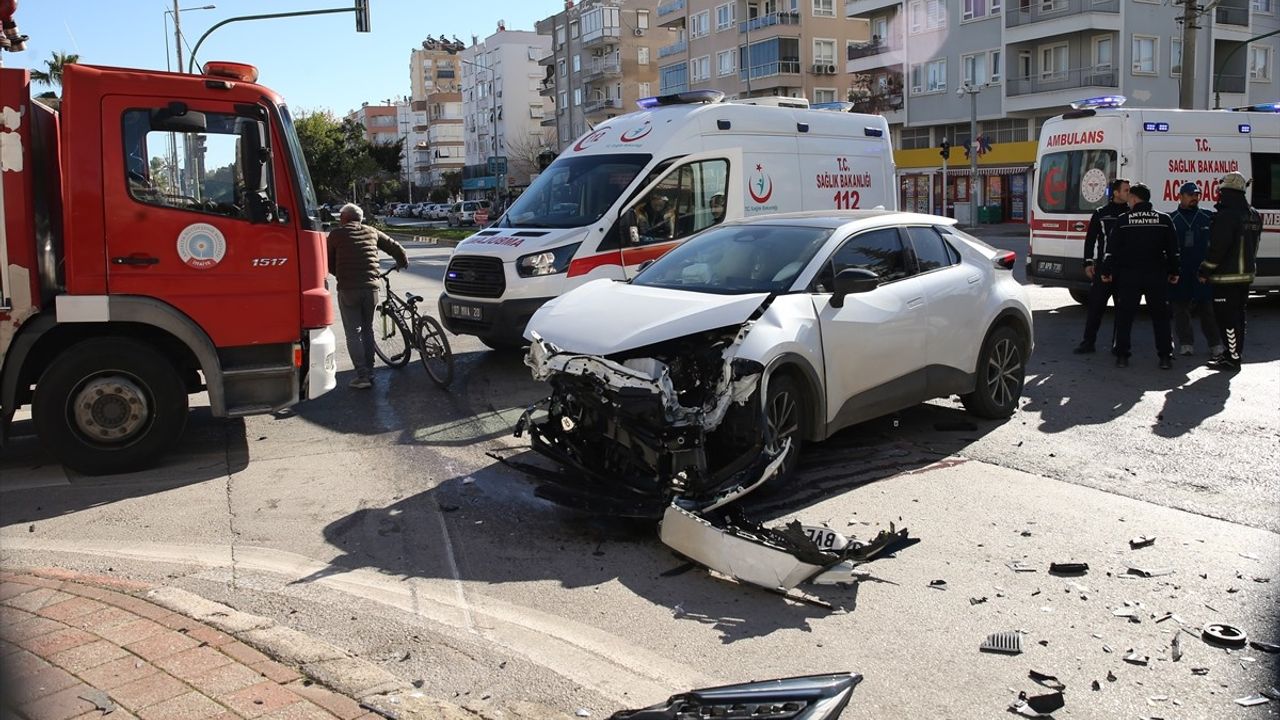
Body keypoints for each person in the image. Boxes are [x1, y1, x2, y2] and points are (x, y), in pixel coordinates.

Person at [327, 203, 408, 389]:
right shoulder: (372, 231)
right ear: (360, 218)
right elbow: (396, 248)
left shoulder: (336, 235)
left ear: (344, 218)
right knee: (367, 329)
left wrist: (339, 274)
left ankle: (362, 376)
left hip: (348, 289)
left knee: (353, 333)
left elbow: (328, 261)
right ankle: (370, 372)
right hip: (371, 288)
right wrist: (401, 263)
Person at [1101, 183, 1179, 369]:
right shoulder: (1164, 219)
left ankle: (1122, 356)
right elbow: (1173, 250)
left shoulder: (1123, 220)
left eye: (1130, 198)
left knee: (1125, 317)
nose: (1128, 201)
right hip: (1156, 275)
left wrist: (1106, 271)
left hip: (1130, 276)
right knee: (1161, 318)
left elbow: (1112, 250)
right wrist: (1175, 271)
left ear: (1135, 199)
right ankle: (1165, 357)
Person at [1199, 171, 1263, 371]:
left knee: (1226, 318)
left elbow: (1218, 247)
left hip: (1226, 276)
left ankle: (1232, 357)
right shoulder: (1253, 214)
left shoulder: (1227, 215)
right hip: (1245, 276)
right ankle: (1232, 354)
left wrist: (1205, 269)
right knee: (1238, 317)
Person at [1074, 178, 1130, 354]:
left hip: (1124, 269)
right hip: (1103, 268)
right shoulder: (1101, 213)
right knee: (1096, 307)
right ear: (1115, 192)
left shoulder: (1131, 213)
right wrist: (1088, 262)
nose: (1129, 193)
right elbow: (1090, 239)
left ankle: (1118, 345)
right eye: (1126, 190)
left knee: (1122, 310)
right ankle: (1088, 342)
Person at [1168, 182, 1222, 359]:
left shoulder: (1207, 216)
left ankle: (1215, 344)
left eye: (1196, 194)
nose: (1194, 197)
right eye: (1190, 194)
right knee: (1180, 309)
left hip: (1202, 271)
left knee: (1207, 309)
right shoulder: (1172, 219)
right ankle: (1186, 343)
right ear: (1180, 196)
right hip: (1181, 271)